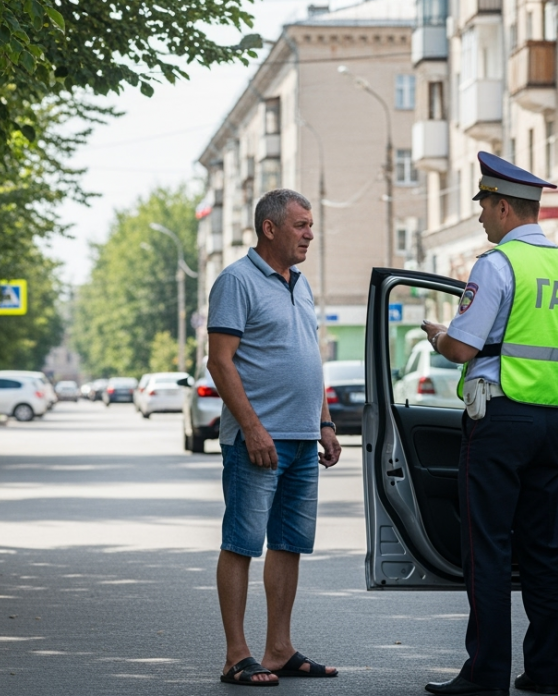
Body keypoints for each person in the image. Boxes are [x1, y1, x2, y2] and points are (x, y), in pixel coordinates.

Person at [419, 153, 558, 696]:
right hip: (549, 423)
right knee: (544, 551)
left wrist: (439, 337)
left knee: (488, 549)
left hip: (497, 421)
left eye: (482, 207)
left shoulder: (496, 266)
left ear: (501, 206)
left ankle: (486, 674)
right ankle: (544, 675)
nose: (479, 219)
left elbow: (465, 345)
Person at [206, 188, 343, 687]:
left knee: (288, 544)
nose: (310, 233)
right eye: (301, 224)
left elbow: (309, 358)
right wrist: (252, 427)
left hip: (303, 439)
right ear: (271, 228)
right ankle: (236, 654)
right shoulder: (236, 281)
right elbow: (219, 362)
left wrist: (324, 423)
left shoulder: (300, 284)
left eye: (310, 225)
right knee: (241, 543)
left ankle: (279, 649)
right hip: (256, 441)